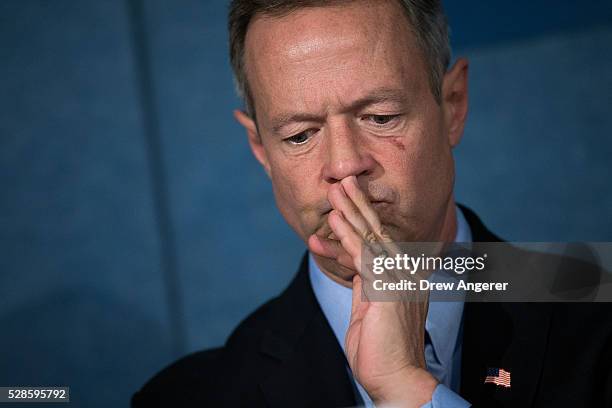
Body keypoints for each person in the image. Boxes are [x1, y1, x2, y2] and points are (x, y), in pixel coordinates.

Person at [132, 1, 612, 406]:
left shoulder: (598, 317)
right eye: (300, 135)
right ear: (261, 150)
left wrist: (408, 390)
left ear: (453, 105)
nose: (344, 164)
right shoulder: (184, 397)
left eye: (381, 117)